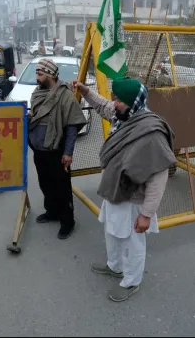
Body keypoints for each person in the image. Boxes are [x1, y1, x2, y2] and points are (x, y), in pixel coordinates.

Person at [73, 77, 176, 302]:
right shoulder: (125, 116)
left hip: (134, 199)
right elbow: (102, 105)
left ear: (132, 101)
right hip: (115, 191)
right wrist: (85, 91)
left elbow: (159, 178)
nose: (113, 102)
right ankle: (115, 266)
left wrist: (146, 214)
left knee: (132, 242)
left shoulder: (151, 133)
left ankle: (131, 281)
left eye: (118, 99)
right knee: (112, 231)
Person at [29, 58, 87, 240]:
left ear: (51, 75)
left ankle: (67, 221)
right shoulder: (37, 93)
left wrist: (68, 153)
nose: (37, 76)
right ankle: (52, 212)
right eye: (37, 72)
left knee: (61, 188)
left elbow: (71, 127)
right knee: (45, 185)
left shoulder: (65, 96)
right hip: (39, 150)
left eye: (40, 73)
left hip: (57, 151)